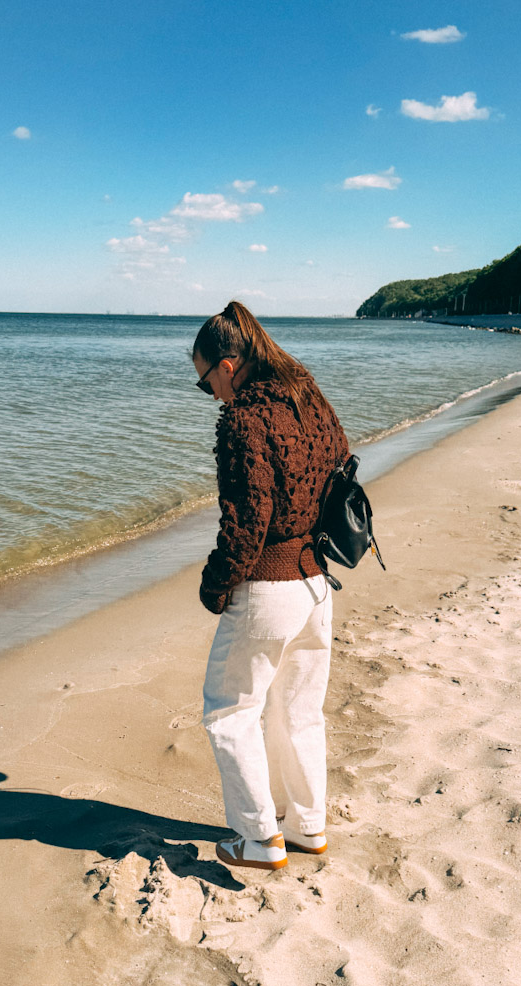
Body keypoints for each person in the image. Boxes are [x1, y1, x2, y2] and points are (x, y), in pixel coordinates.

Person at [192, 300, 350, 871]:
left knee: (229, 711)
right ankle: (308, 827)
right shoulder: (307, 396)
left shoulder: (244, 419)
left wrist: (215, 586)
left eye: (206, 382)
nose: (211, 395)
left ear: (228, 366)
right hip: (316, 583)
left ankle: (259, 838)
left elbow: (248, 522)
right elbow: (342, 462)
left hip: (268, 588)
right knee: (300, 712)